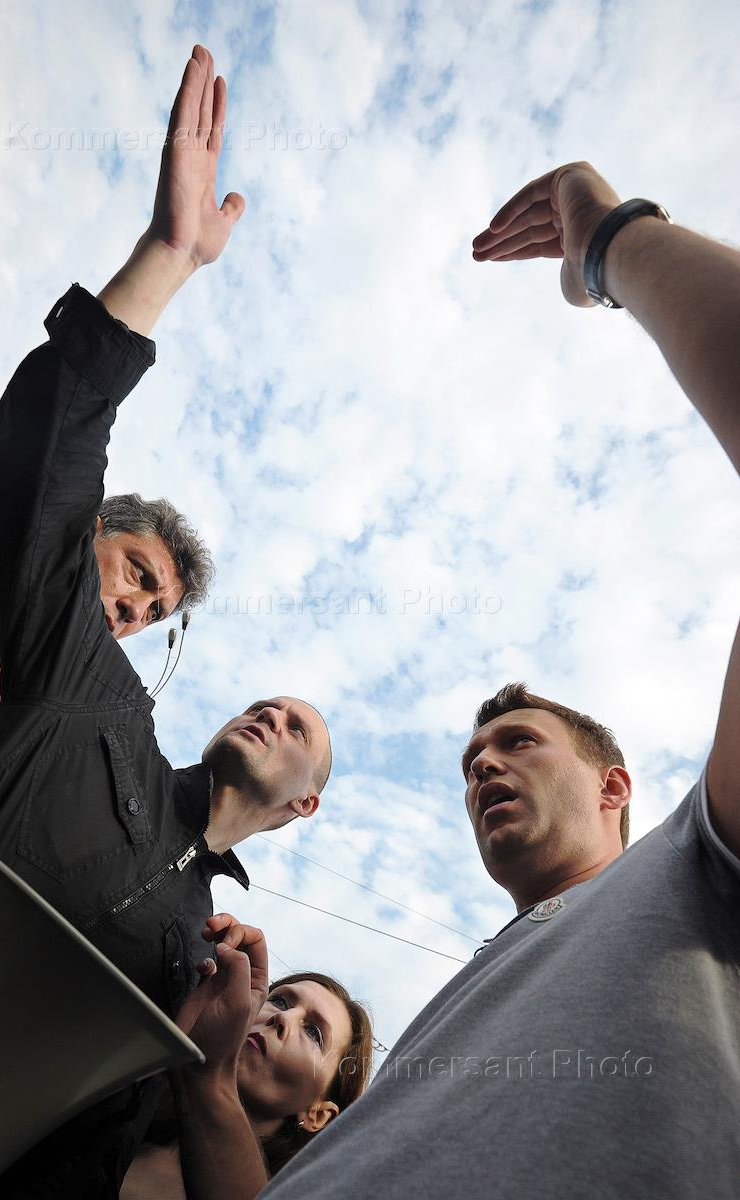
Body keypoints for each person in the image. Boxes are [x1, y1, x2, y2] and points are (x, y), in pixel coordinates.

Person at [244, 165, 740, 1198]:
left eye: (518, 743)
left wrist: (608, 240)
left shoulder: (697, 865)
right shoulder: (461, 1005)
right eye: (472, 758)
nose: (480, 768)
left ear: (615, 787)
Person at [0, 44, 331, 1197]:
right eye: (270, 699)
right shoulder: (99, 699)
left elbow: (85, 1152)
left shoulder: (199, 971)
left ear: (302, 805)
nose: (273, 712)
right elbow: (37, 482)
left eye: (300, 727)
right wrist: (165, 264)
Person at [0, 471, 211, 737]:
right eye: (137, 574)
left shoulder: (60, 721)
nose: (136, 611)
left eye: (154, 613)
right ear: (88, 532)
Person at [120, 916, 373, 1200]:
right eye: (279, 1001)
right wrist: (170, 1051)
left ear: (318, 1114)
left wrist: (205, 1073)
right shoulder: (126, 1120)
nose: (283, 1017)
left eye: (314, 1032)